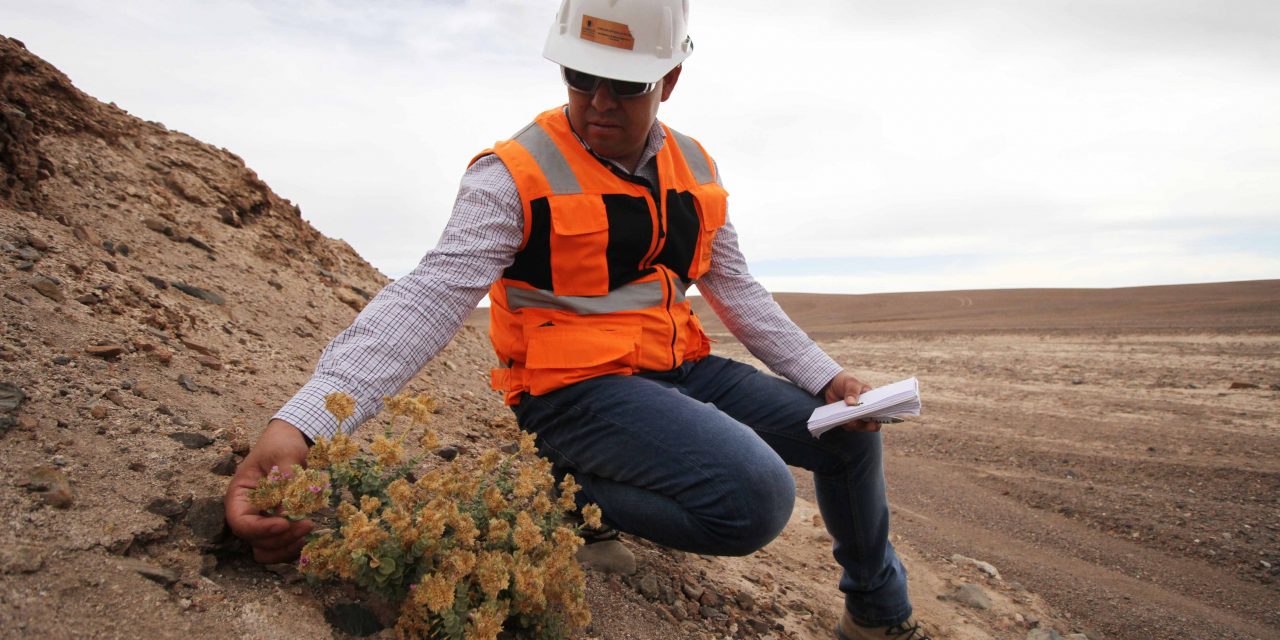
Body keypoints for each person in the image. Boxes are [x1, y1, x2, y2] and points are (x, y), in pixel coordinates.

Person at [225, 1, 927, 638]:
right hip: (572, 390)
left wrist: (827, 378)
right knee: (755, 500)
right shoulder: (513, 174)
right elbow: (430, 295)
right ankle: (568, 490)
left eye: (626, 85)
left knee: (849, 439)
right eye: (580, 75)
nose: (599, 102)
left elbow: (736, 287)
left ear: (670, 81)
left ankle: (876, 615)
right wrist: (305, 425)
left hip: (678, 368)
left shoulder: (696, 165)